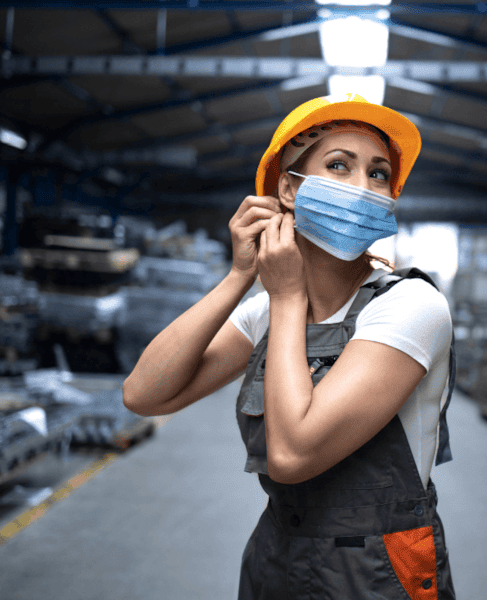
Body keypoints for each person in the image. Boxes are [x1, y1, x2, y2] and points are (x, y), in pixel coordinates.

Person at [123, 93, 456, 600]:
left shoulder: (410, 306)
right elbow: (145, 394)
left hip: (377, 571)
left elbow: (292, 454)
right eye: (339, 166)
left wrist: (284, 295)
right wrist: (240, 276)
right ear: (289, 189)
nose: (363, 187)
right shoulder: (268, 309)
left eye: (378, 173)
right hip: (277, 558)